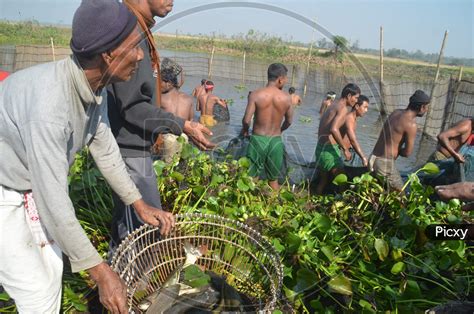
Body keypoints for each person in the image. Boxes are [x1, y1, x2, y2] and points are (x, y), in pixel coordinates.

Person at [0, 1, 175, 312]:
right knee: (37, 291)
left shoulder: (95, 89)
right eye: (133, 47)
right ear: (107, 55)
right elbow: (54, 201)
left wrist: (139, 204)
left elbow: (104, 147)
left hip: (27, 186)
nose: (139, 56)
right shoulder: (49, 109)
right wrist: (102, 273)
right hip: (5, 191)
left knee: (52, 275)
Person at [107, 0, 215, 252]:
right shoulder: (129, 32)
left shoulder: (139, 30)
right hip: (129, 150)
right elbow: (132, 106)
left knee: (129, 224)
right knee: (146, 229)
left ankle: (124, 279)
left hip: (135, 147)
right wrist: (183, 125)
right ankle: (131, 285)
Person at [241, 63, 293, 190]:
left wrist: (245, 130)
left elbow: (246, 120)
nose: (285, 82)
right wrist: (279, 130)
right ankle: (274, 203)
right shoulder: (286, 97)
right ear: (280, 79)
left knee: (251, 178)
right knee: (273, 180)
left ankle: (250, 204)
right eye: (285, 79)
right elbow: (289, 121)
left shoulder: (255, 94)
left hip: (258, 139)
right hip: (275, 141)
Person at [369, 90, 430, 191]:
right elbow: (407, 153)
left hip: (373, 157)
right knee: (400, 196)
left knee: (378, 193)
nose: (427, 110)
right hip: (384, 164)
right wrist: (397, 149)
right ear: (422, 107)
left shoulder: (395, 112)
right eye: (427, 107)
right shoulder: (411, 124)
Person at [314, 84, 360, 195]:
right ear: (349, 96)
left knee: (323, 181)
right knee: (342, 180)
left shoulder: (333, 104)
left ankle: (313, 199)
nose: (356, 101)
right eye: (356, 98)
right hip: (329, 150)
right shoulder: (343, 108)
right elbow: (334, 129)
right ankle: (339, 204)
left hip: (320, 148)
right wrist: (345, 149)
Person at [159, 58, 194, 162]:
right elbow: (190, 121)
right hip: (184, 137)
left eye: (160, 82)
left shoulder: (161, 98)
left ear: (169, 84)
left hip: (168, 138)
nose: (158, 85)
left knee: (166, 171)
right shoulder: (188, 99)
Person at [341, 95, 370, 166]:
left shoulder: (354, 118)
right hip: (341, 152)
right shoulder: (349, 118)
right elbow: (352, 140)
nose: (366, 110)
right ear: (357, 106)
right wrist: (363, 157)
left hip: (349, 150)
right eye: (365, 107)